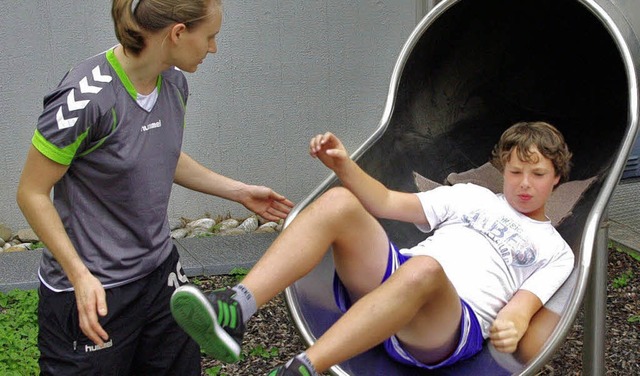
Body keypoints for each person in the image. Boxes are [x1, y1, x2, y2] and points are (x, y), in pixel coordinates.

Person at [15, 0, 294, 375]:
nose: (213, 48)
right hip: (94, 289)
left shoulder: (174, 81)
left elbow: (159, 151)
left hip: (160, 276)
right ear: (177, 33)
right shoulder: (84, 98)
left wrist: (239, 192)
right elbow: (31, 193)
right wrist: (80, 275)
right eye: (209, 37)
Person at [170, 121, 575, 375]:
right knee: (338, 203)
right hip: (395, 282)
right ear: (503, 168)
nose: (524, 183)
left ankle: (304, 369)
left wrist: (514, 325)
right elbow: (383, 202)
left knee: (426, 270)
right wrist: (343, 166)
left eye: (537, 174)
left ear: (556, 177)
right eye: (516, 171)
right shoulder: (472, 196)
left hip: (448, 324)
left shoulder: (554, 248)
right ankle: (235, 307)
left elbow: (522, 308)